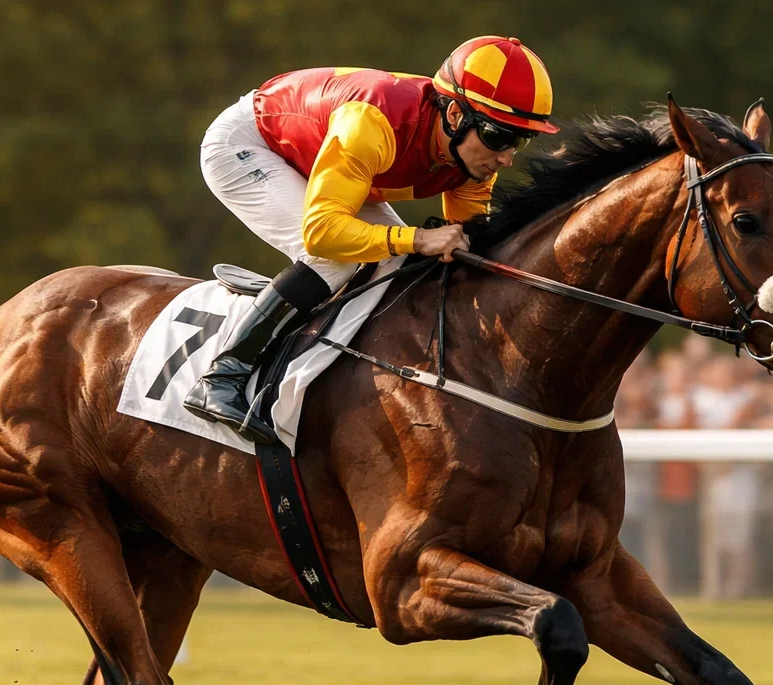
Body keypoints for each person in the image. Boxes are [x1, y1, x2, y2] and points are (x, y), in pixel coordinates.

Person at [185, 36, 557, 443]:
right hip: (249, 144)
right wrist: (418, 238)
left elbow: (467, 247)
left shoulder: (472, 157)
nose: (506, 158)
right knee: (337, 259)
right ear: (454, 114)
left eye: (520, 141)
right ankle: (223, 375)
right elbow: (322, 233)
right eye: (498, 137)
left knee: (396, 262)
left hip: (322, 153)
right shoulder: (373, 124)